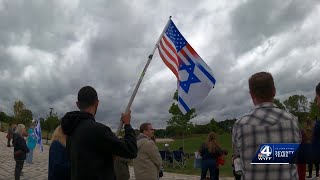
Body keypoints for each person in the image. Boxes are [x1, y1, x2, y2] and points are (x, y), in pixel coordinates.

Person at [232, 72, 301, 180]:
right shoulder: (292, 120)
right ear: (274, 91)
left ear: (251, 94)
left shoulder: (240, 125)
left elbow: (238, 155)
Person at [60, 86, 137, 180]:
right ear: (97, 103)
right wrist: (127, 125)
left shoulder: (70, 130)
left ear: (77, 104)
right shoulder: (100, 130)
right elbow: (131, 150)